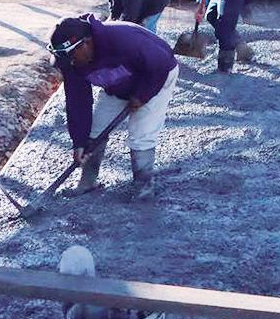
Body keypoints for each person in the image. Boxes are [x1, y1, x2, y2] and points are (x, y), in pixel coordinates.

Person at [47, 15, 180, 201]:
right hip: (118, 84)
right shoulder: (72, 61)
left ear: (86, 43)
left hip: (156, 77)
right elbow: (77, 102)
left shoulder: (123, 40)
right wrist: (79, 142)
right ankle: (87, 182)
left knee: (141, 134)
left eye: (71, 57)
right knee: (94, 133)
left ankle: (144, 188)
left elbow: (160, 64)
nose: (70, 63)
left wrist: (142, 95)